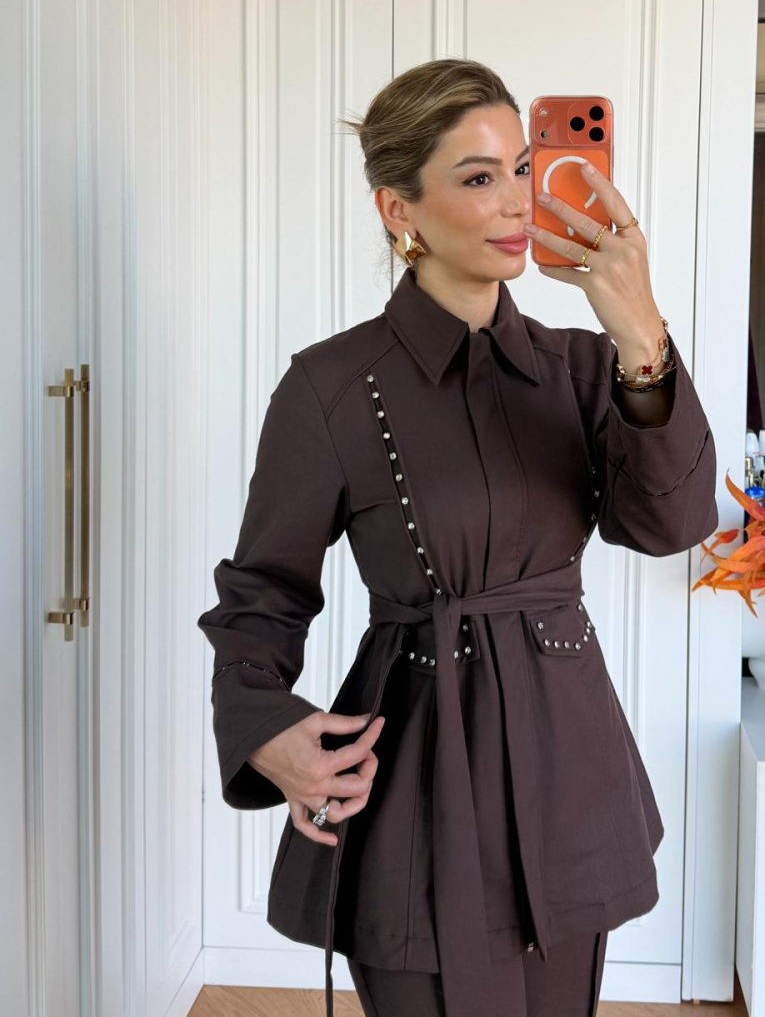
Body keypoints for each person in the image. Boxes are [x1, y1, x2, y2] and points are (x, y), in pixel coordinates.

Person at [197, 59, 719, 1017]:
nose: (518, 200)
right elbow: (262, 596)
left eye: (522, 167)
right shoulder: (329, 389)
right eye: (479, 177)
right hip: (416, 777)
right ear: (400, 209)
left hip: (568, 767)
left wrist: (642, 333)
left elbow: (670, 523)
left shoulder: (585, 366)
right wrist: (264, 728)